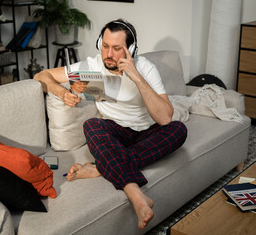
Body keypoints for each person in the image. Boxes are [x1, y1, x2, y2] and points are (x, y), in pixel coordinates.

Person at [34, 19, 187, 230]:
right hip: (116, 133)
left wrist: (137, 78)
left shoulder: (145, 68)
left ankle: (101, 166)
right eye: (105, 46)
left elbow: (165, 118)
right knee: (92, 125)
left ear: (131, 49)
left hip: (147, 132)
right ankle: (136, 194)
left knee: (179, 130)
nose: (109, 54)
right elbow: (41, 76)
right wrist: (62, 92)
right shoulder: (93, 67)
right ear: (99, 43)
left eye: (117, 48)